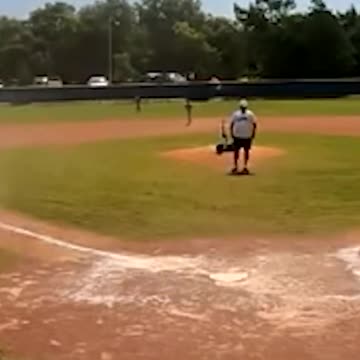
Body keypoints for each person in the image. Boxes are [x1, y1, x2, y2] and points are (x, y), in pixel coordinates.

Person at [229, 99, 257, 174]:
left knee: (246, 151)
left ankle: (245, 167)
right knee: (236, 152)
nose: (243, 108)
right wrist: (232, 133)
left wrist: (253, 133)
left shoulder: (250, 114)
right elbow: (231, 124)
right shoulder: (236, 114)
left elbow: (254, 124)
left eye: (244, 107)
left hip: (246, 136)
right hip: (238, 135)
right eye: (242, 107)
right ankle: (236, 167)